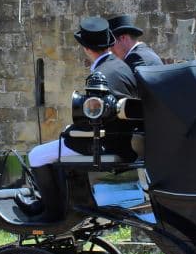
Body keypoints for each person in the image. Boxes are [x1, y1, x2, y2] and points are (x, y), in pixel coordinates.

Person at [18, 16, 138, 218]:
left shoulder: (99, 74)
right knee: (56, 148)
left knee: (36, 155)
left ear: (86, 48)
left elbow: (96, 118)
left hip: (103, 144)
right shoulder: (122, 67)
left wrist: (69, 133)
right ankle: (54, 200)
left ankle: (52, 212)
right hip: (123, 141)